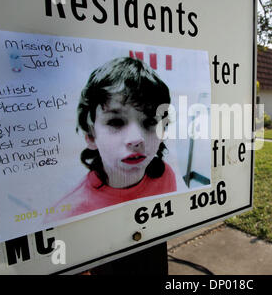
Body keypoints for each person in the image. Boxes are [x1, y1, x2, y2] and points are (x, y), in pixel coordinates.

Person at [48, 57, 176, 221]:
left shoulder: (165, 176)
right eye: (116, 122)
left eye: (150, 121)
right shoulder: (68, 214)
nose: (136, 139)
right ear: (91, 136)